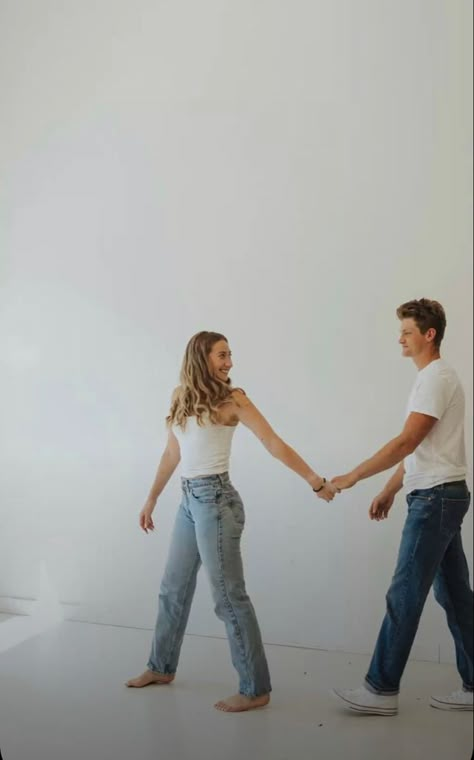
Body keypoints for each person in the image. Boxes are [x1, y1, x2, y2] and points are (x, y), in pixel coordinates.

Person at [127, 331, 337, 712]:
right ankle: (160, 667)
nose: (229, 362)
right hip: (188, 502)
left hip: (217, 503)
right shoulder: (180, 397)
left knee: (228, 598)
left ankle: (255, 688)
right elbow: (173, 452)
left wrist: (315, 481)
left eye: (229, 355)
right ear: (201, 358)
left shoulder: (233, 400)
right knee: (172, 588)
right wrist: (152, 497)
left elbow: (273, 443)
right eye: (222, 355)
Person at [331, 298, 473, 715]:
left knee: (405, 594)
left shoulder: (436, 378)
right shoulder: (432, 378)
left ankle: (380, 690)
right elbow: (421, 449)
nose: (401, 338)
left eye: (407, 331)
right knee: (456, 597)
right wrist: (393, 488)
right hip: (438, 493)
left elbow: (405, 443)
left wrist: (355, 476)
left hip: (435, 500)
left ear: (429, 335)